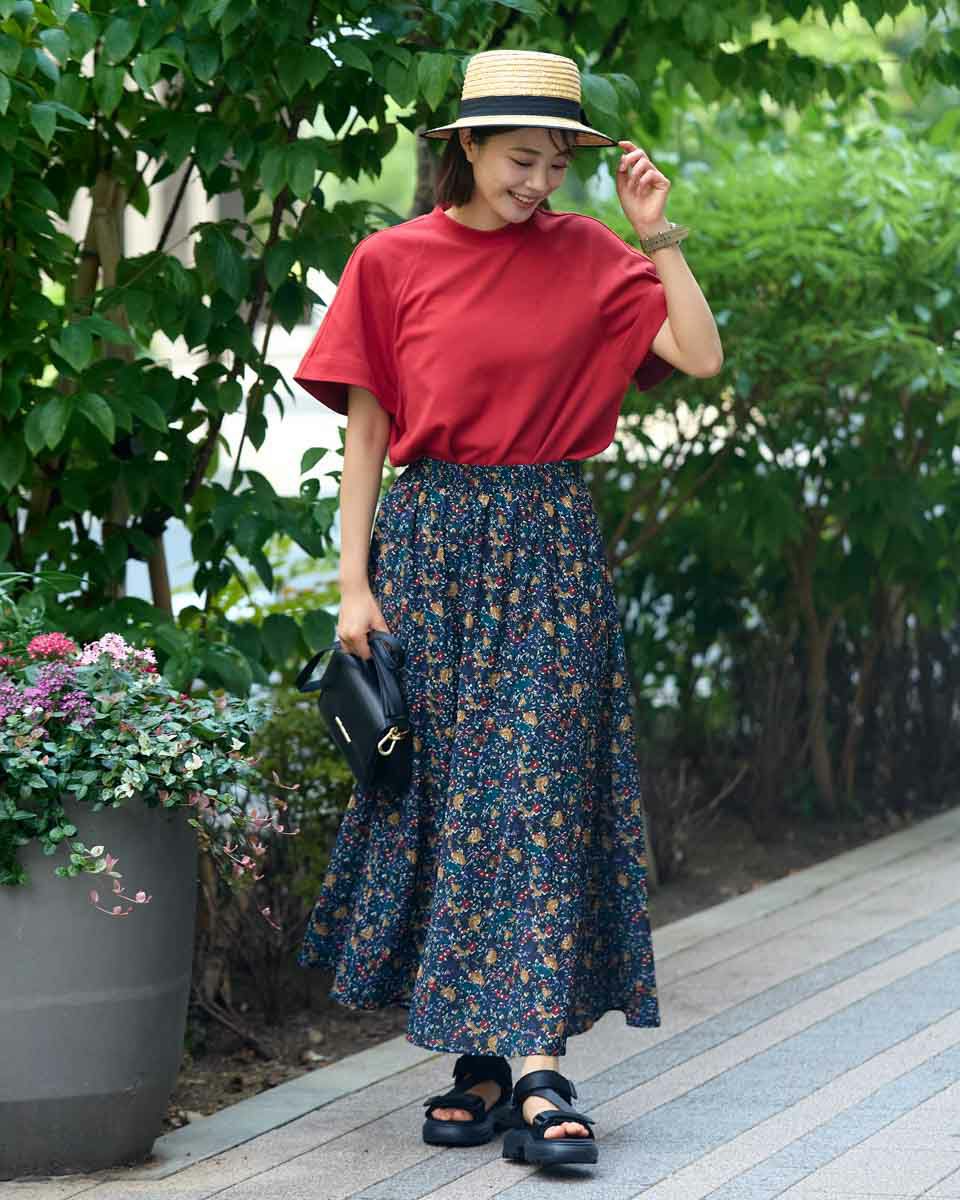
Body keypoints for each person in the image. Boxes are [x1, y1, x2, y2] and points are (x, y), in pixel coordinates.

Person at [294, 48, 722, 1169]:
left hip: (550, 550)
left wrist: (656, 234)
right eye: (520, 157)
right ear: (469, 147)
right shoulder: (392, 262)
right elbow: (368, 436)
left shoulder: (591, 255)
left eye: (556, 162)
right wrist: (352, 585)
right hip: (430, 549)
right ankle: (478, 1064)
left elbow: (697, 354)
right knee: (451, 800)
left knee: (534, 792)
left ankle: (535, 1067)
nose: (539, 181)